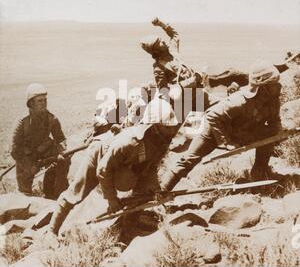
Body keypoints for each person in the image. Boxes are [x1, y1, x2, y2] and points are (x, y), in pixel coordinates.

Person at [47, 98, 179, 235]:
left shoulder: (161, 142)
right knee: (76, 193)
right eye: (166, 127)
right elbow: (103, 170)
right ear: (153, 126)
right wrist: (112, 199)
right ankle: (52, 231)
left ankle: (128, 227)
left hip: (125, 166)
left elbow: (150, 169)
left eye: (172, 127)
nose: (171, 131)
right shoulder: (129, 142)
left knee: (144, 192)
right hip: (100, 155)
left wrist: (156, 189)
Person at [160, 62, 283, 191]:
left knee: (270, 135)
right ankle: (160, 191)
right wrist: (225, 142)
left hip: (241, 130)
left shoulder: (272, 99)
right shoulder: (239, 100)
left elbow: (274, 120)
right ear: (262, 86)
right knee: (189, 160)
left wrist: (278, 133)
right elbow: (212, 116)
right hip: (213, 131)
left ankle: (260, 172)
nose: (278, 86)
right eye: (274, 84)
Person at [11, 83, 70, 199]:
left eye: (45, 100)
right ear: (31, 104)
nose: (43, 103)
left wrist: (62, 152)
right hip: (26, 158)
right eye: (39, 101)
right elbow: (14, 150)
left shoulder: (51, 119)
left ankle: (53, 194)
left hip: (45, 152)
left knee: (63, 162)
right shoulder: (22, 122)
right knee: (24, 194)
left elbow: (60, 139)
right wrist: (30, 166)